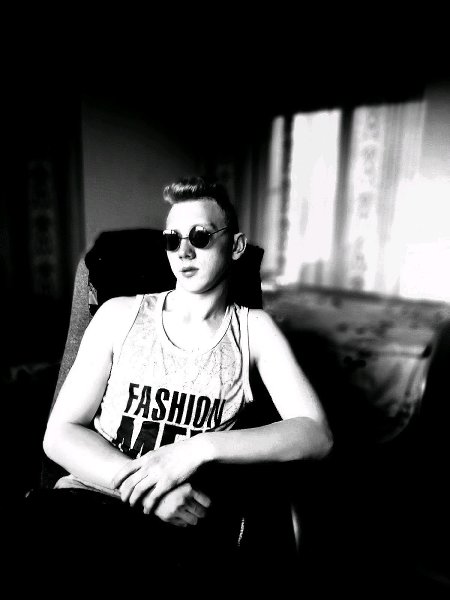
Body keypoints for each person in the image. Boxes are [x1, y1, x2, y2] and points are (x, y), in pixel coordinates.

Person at [20, 176, 333, 594]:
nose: (183, 252)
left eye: (200, 237)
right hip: (91, 503)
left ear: (236, 246)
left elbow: (316, 434)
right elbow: (59, 434)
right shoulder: (118, 315)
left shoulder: (254, 331)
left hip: (185, 529)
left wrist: (198, 448)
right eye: (172, 240)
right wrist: (148, 491)